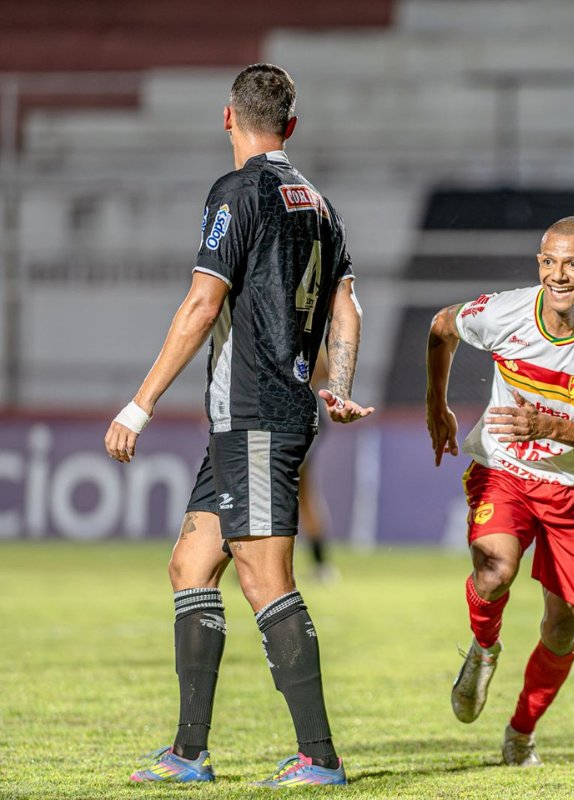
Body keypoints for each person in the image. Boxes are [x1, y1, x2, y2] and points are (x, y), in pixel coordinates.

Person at [103, 63, 373, 787]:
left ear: (229, 118)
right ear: (291, 126)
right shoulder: (318, 203)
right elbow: (346, 305)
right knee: (192, 564)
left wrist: (140, 402)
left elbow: (200, 304)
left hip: (255, 414)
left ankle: (320, 758)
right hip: (252, 416)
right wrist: (337, 384)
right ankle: (189, 754)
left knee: (262, 577)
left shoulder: (238, 191)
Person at [426, 216, 574, 766]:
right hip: (507, 469)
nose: (558, 275)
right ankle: (483, 649)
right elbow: (441, 327)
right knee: (494, 570)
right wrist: (437, 401)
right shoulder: (505, 312)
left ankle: (522, 730)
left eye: (572, 264)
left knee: (562, 626)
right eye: (549, 261)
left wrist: (552, 427)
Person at [299, 349, 338, 583]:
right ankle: (321, 566)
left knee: (278, 490)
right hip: (301, 416)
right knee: (303, 493)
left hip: (301, 417)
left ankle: (266, 566)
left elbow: (323, 371)